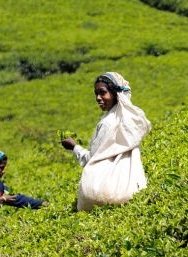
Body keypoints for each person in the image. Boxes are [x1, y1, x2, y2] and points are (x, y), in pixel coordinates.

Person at [61, 72, 151, 211]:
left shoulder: (107, 123)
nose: (98, 98)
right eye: (96, 93)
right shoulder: (129, 118)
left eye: (103, 93)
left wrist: (74, 147)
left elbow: (92, 158)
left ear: (115, 93)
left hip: (100, 194)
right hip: (132, 189)